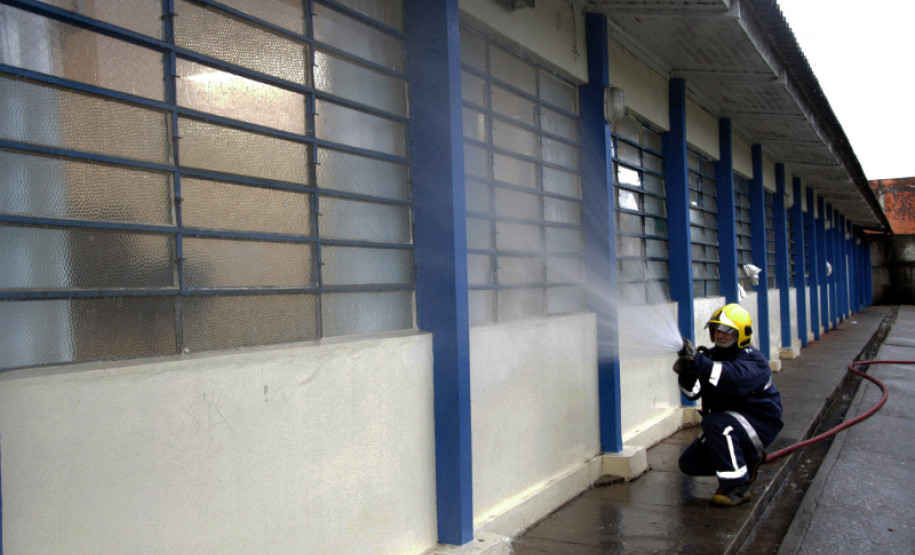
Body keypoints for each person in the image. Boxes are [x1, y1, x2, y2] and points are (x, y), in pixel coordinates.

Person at [673, 303, 783, 507]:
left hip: (759, 424)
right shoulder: (711, 357)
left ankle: (737, 488)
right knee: (689, 463)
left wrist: (699, 363)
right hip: (731, 423)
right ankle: (748, 460)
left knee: (715, 424)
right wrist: (687, 372)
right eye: (717, 330)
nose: (721, 335)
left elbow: (734, 379)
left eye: (728, 330)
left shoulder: (754, 359)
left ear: (742, 333)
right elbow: (692, 392)